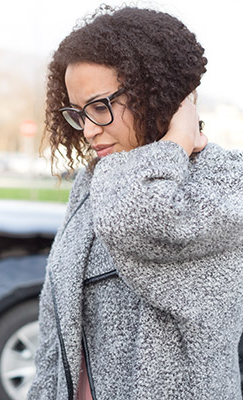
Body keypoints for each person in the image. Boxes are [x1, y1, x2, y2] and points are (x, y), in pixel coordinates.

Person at [27, 5, 243, 400]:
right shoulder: (98, 181)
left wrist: (175, 141)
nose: (89, 130)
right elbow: (55, 330)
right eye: (78, 113)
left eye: (100, 106)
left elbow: (140, 221)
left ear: (156, 93)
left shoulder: (228, 181)